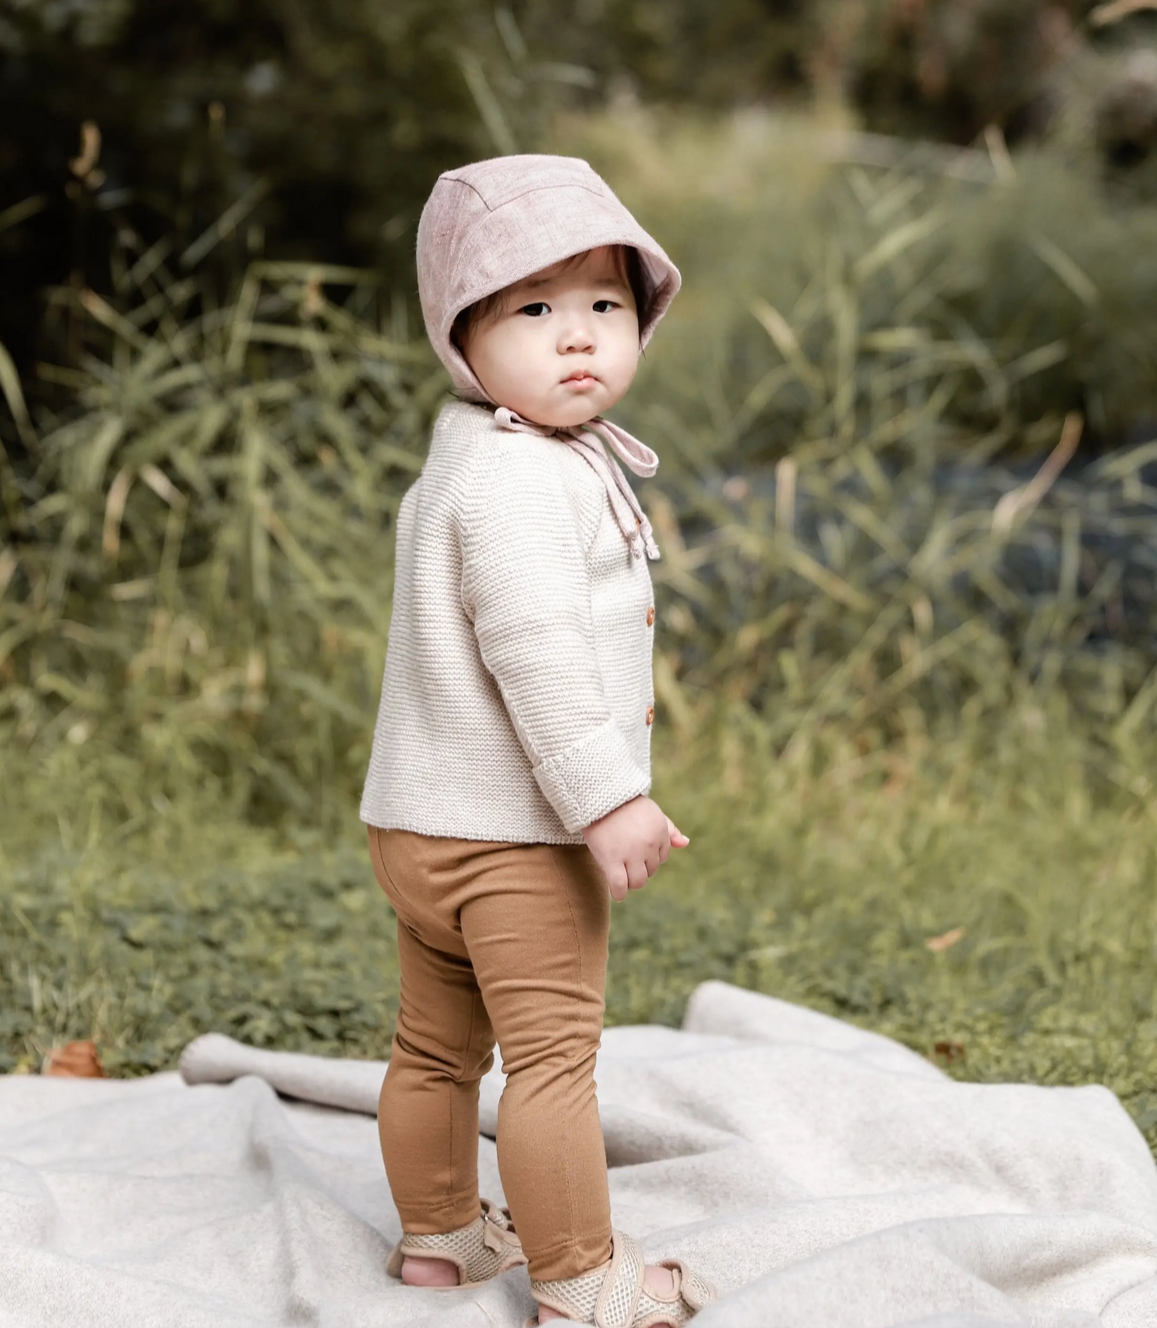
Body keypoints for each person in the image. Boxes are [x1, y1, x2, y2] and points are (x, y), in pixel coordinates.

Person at [360, 154, 717, 1327]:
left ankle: (439, 1233)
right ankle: (579, 1277)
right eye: (533, 308)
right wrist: (603, 796)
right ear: (463, 333)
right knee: (552, 1059)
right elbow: (535, 652)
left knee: (434, 1042)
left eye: (603, 305)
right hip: (517, 835)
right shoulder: (519, 479)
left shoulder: (464, 454)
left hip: (416, 824)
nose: (578, 339)